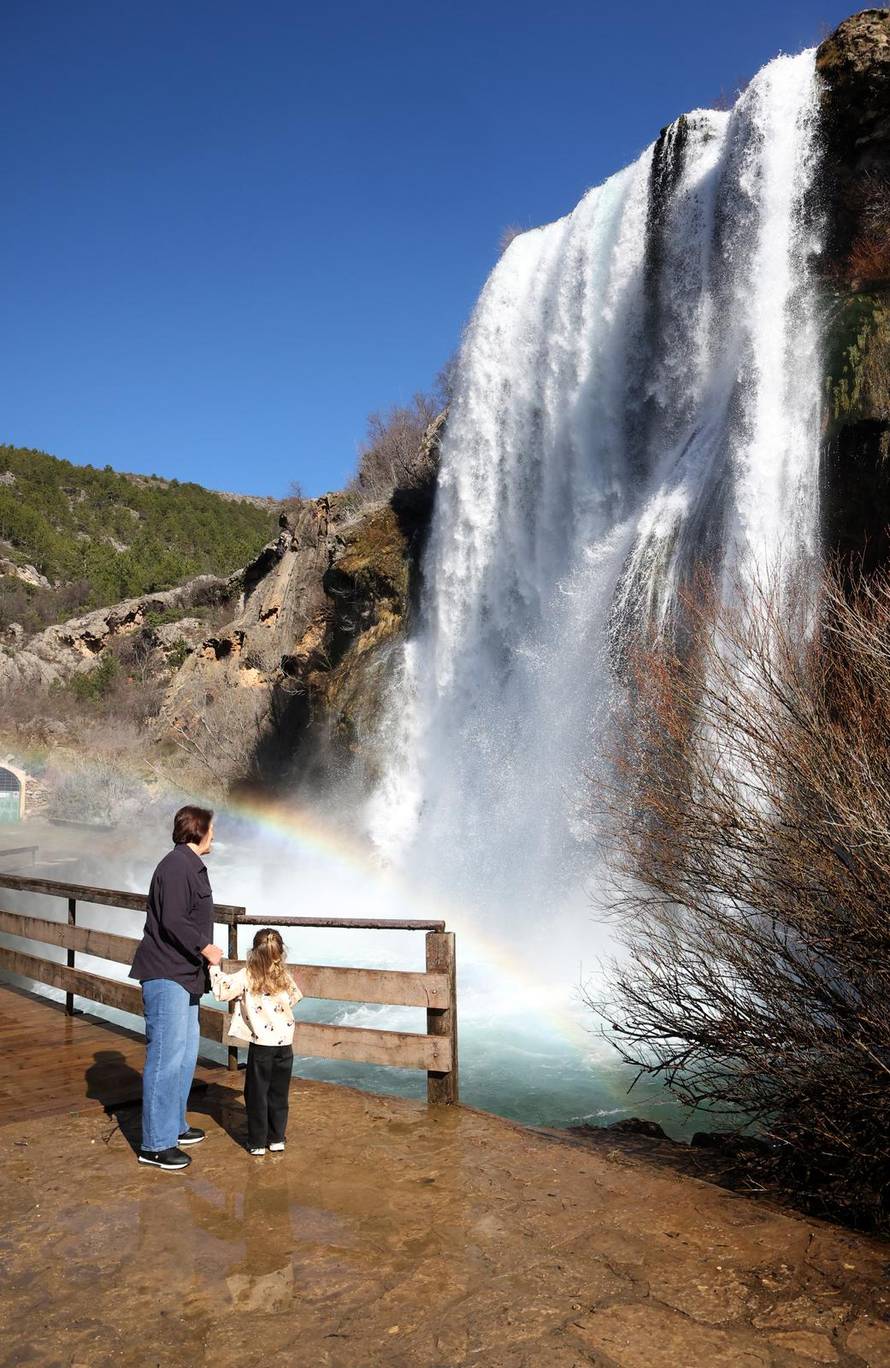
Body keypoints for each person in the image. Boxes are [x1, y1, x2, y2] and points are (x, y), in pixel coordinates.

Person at [130, 805, 224, 1171]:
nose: (214, 835)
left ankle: (175, 1126)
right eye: (212, 828)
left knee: (184, 1055)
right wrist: (205, 948)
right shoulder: (175, 865)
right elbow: (171, 919)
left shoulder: (189, 865)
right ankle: (154, 1144)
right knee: (165, 1057)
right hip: (166, 973)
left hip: (185, 975)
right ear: (198, 830)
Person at [210, 928, 302, 1155]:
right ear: (280, 953)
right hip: (284, 1045)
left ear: (253, 952)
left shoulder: (247, 975)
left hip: (262, 1046)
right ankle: (277, 1138)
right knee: (278, 1093)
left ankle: (258, 1142)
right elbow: (295, 997)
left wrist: (213, 966)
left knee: (256, 1094)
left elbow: (222, 991)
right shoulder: (283, 975)